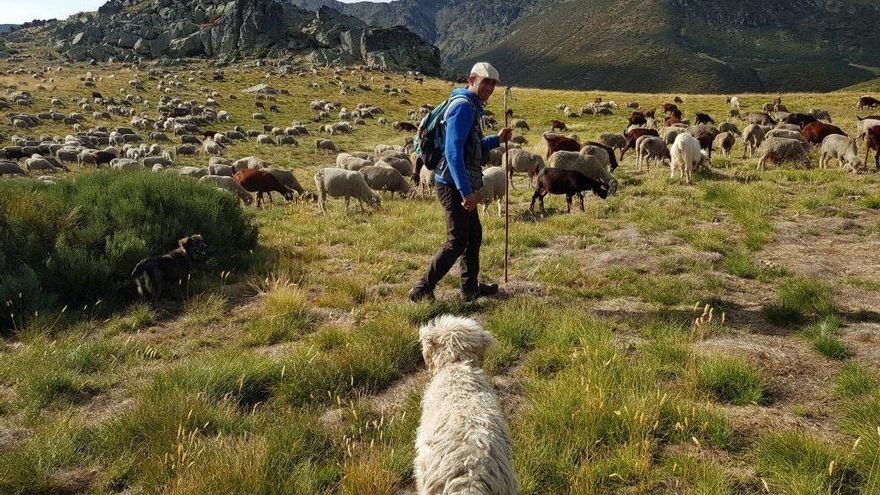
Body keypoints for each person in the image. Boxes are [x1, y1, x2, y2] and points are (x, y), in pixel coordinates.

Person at [409, 62, 512, 302]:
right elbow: (453, 151)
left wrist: (495, 140)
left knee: (473, 235)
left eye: (493, 84)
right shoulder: (463, 107)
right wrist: (466, 192)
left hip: (460, 180)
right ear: (471, 79)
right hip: (452, 184)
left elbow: (470, 147)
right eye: (485, 81)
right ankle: (422, 289)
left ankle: (470, 288)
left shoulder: (472, 107)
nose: (489, 87)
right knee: (457, 241)